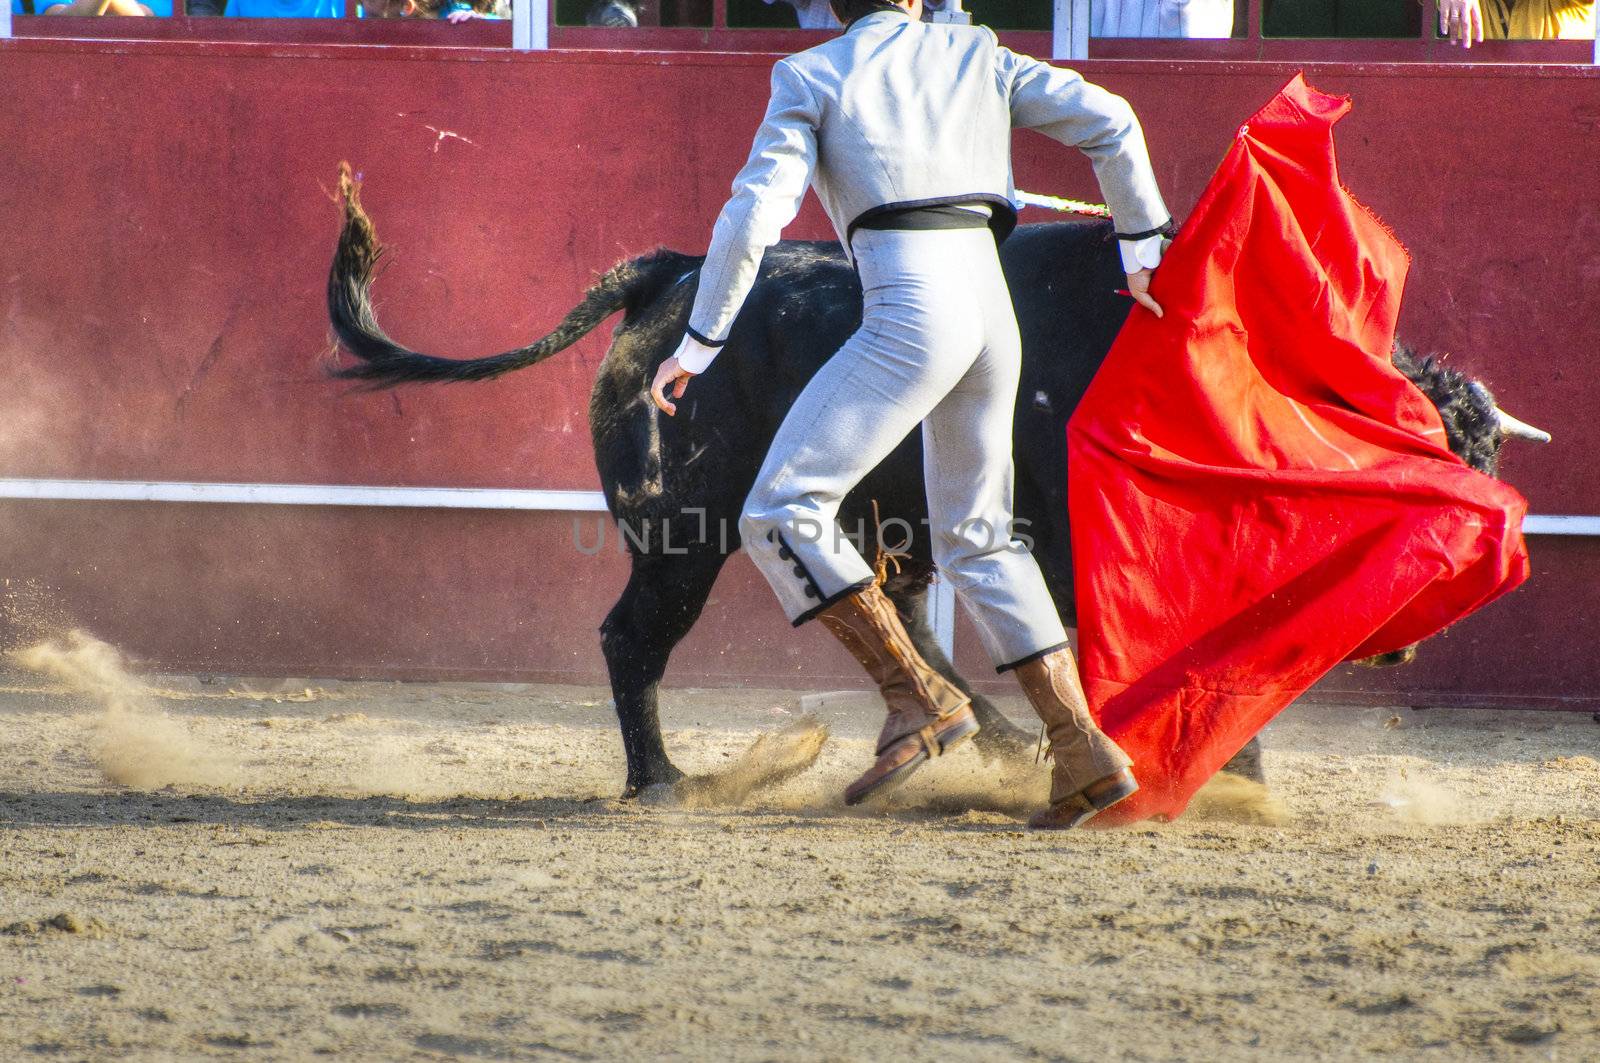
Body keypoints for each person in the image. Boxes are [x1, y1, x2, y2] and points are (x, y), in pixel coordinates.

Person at [649, 0, 1173, 829]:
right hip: (991, 311)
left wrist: (702, 341)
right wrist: (1144, 245)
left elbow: (754, 214)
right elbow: (1111, 120)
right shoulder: (979, 54)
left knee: (781, 510)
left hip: (910, 303)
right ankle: (1082, 750)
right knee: (981, 537)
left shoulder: (812, 74)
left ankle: (917, 698)